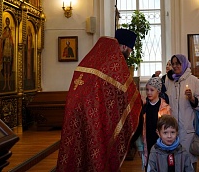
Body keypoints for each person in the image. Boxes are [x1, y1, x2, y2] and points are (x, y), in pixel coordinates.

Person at [56, 28, 141, 172]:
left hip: (73, 113)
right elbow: (129, 94)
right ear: (125, 47)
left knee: (76, 149)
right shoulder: (114, 62)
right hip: (92, 115)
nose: (129, 54)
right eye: (131, 51)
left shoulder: (94, 58)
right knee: (95, 149)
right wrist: (139, 100)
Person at [165, 54, 199, 171]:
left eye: (177, 63)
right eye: (173, 64)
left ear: (183, 64)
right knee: (173, 161)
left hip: (187, 129)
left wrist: (193, 99)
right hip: (171, 130)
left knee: (189, 161)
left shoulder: (193, 80)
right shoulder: (169, 80)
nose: (175, 66)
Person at [137, 77, 171, 169]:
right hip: (147, 143)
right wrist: (140, 147)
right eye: (147, 90)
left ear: (158, 91)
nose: (148, 92)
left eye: (152, 90)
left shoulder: (165, 108)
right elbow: (139, 128)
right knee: (149, 166)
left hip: (160, 144)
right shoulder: (144, 107)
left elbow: (169, 128)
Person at [0, 17, 14, 91]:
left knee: (8, 68)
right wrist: (5, 37)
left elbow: (12, 42)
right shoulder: (4, 30)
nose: (8, 22)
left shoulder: (11, 31)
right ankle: (5, 84)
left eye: (8, 21)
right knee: (5, 68)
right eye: (7, 21)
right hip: (5, 51)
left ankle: (8, 83)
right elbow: (1, 39)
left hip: (9, 51)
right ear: (5, 22)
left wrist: (11, 40)